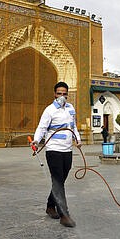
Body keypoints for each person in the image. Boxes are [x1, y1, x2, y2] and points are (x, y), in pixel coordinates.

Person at [32, 81, 82, 228]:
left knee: (61, 180)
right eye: (59, 93)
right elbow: (41, 127)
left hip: (67, 150)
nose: (62, 96)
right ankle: (64, 215)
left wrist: (77, 140)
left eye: (65, 94)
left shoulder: (70, 108)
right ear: (54, 94)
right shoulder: (49, 110)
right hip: (53, 149)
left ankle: (50, 206)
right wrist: (36, 140)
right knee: (58, 180)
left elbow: (73, 127)